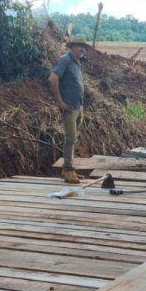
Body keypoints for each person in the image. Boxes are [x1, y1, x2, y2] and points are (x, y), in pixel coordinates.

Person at [48, 35, 89, 183]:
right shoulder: (65, 60)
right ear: (72, 47)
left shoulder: (76, 63)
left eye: (84, 46)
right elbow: (53, 78)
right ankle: (68, 170)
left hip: (78, 107)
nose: (82, 49)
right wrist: (60, 101)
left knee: (73, 139)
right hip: (69, 108)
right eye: (79, 46)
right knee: (70, 139)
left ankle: (68, 170)